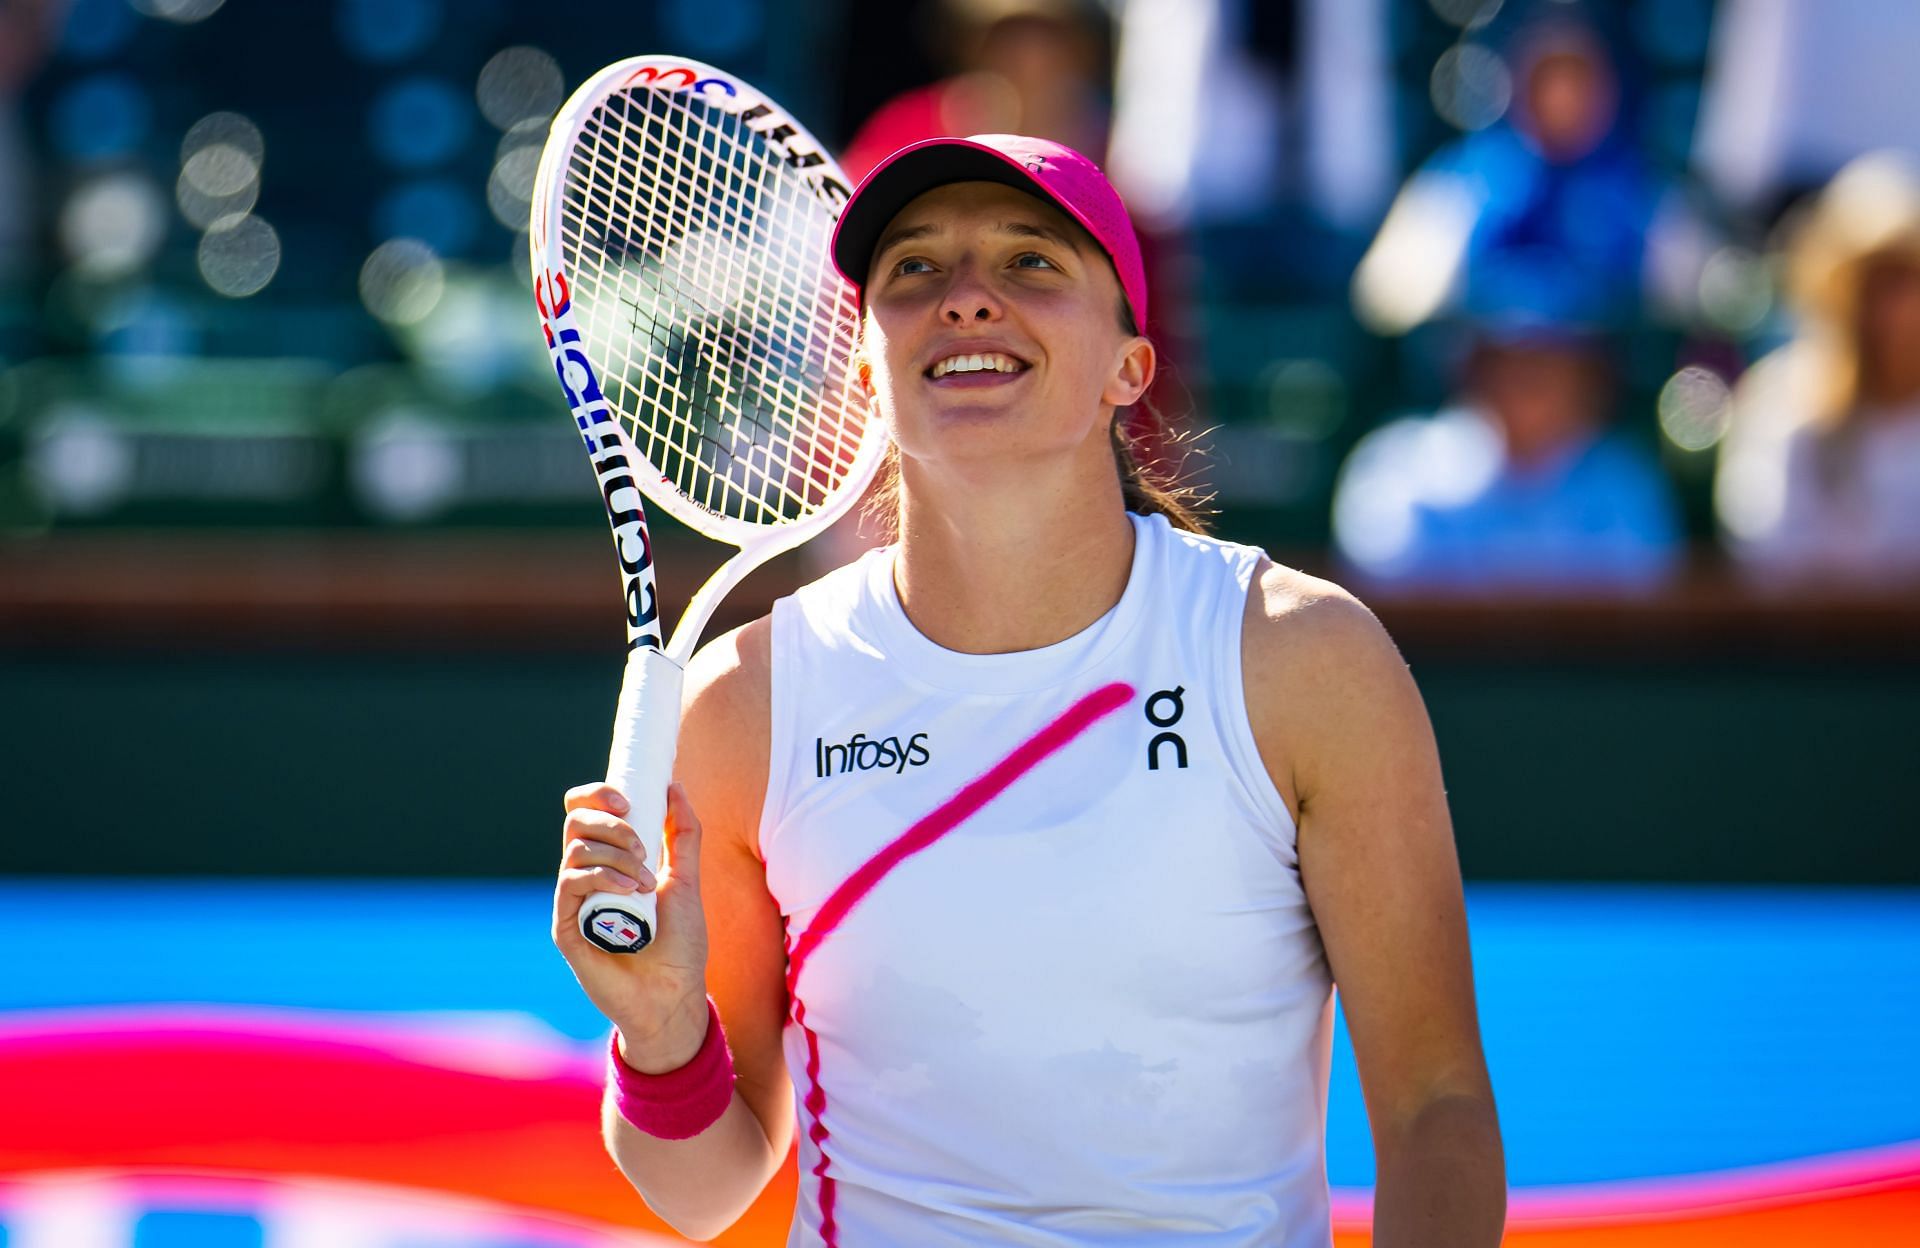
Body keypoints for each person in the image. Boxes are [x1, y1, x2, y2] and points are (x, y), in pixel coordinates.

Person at [551, 134, 1504, 1246]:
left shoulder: (1303, 662)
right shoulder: (742, 709)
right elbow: (701, 1190)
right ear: (864, 368)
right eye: (914, 269)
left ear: (1129, 367)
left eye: (1031, 263)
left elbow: (1437, 1106)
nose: (964, 300)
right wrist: (662, 1032)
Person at [1716, 151, 1920, 581]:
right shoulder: (1784, 406)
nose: (1891, 311)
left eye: (1904, 282)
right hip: (1817, 647)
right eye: (1871, 285)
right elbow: (1763, 555)